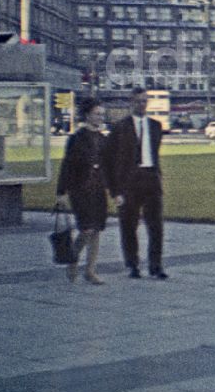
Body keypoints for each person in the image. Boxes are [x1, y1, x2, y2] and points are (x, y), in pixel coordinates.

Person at [103, 87, 168, 280]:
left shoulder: (156, 126)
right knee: (128, 226)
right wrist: (115, 190)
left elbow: (154, 155)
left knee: (156, 226)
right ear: (131, 103)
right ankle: (132, 264)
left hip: (150, 179)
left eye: (145, 101)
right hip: (129, 183)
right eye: (138, 101)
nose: (142, 104)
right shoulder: (120, 128)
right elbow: (108, 159)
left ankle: (155, 265)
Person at [56, 98, 109, 285]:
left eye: (102, 114)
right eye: (97, 114)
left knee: (96, 231)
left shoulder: (104, 139)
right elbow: (67, 166)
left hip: (98, 190)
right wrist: (61, 192)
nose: (100, 117)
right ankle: (72, 260)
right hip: (80, 190)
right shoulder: (76, 139)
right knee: (86, 229)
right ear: (87, 115)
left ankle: (90, 270)